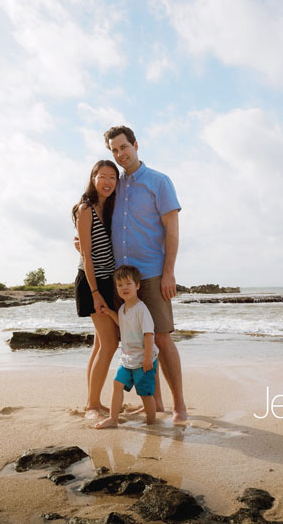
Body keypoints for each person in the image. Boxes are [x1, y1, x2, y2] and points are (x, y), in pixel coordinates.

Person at [102, 125, 187, 423]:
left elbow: (172, 232)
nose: (119, 154)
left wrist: (169, 273)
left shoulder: (159, 182)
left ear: (136, 145)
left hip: (151, 273)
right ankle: (156, 402)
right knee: (135, 340)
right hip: (122, 277)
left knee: (161, 339)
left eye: (123, 147)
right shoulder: (115, 186)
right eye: (113, 150)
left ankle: (179, 406)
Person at [72, 160, 121, 419]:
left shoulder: (109, 208)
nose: (107, 181)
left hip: (106, 280)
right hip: (92, 282)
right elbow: (87, 257)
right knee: (110, 344)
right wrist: (95, 293)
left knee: (101, 344)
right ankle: (92, 405)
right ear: (93, 178)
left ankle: (93, 401)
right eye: (102, 176)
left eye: (112, 177)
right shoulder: (86, 209)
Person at [94, 265, 159, 428]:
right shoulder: (123, 308)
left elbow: (149, 334)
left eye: (128, 283)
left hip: (144, 359)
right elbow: (122, 325)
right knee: (117, 384)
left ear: (137, 285)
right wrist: (110, 313)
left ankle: (152, 423)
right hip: (127, 357)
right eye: (120, 285)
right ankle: (113, 419)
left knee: (145, 393)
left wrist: (147, 358)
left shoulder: (141, 309)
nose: (124, 288)